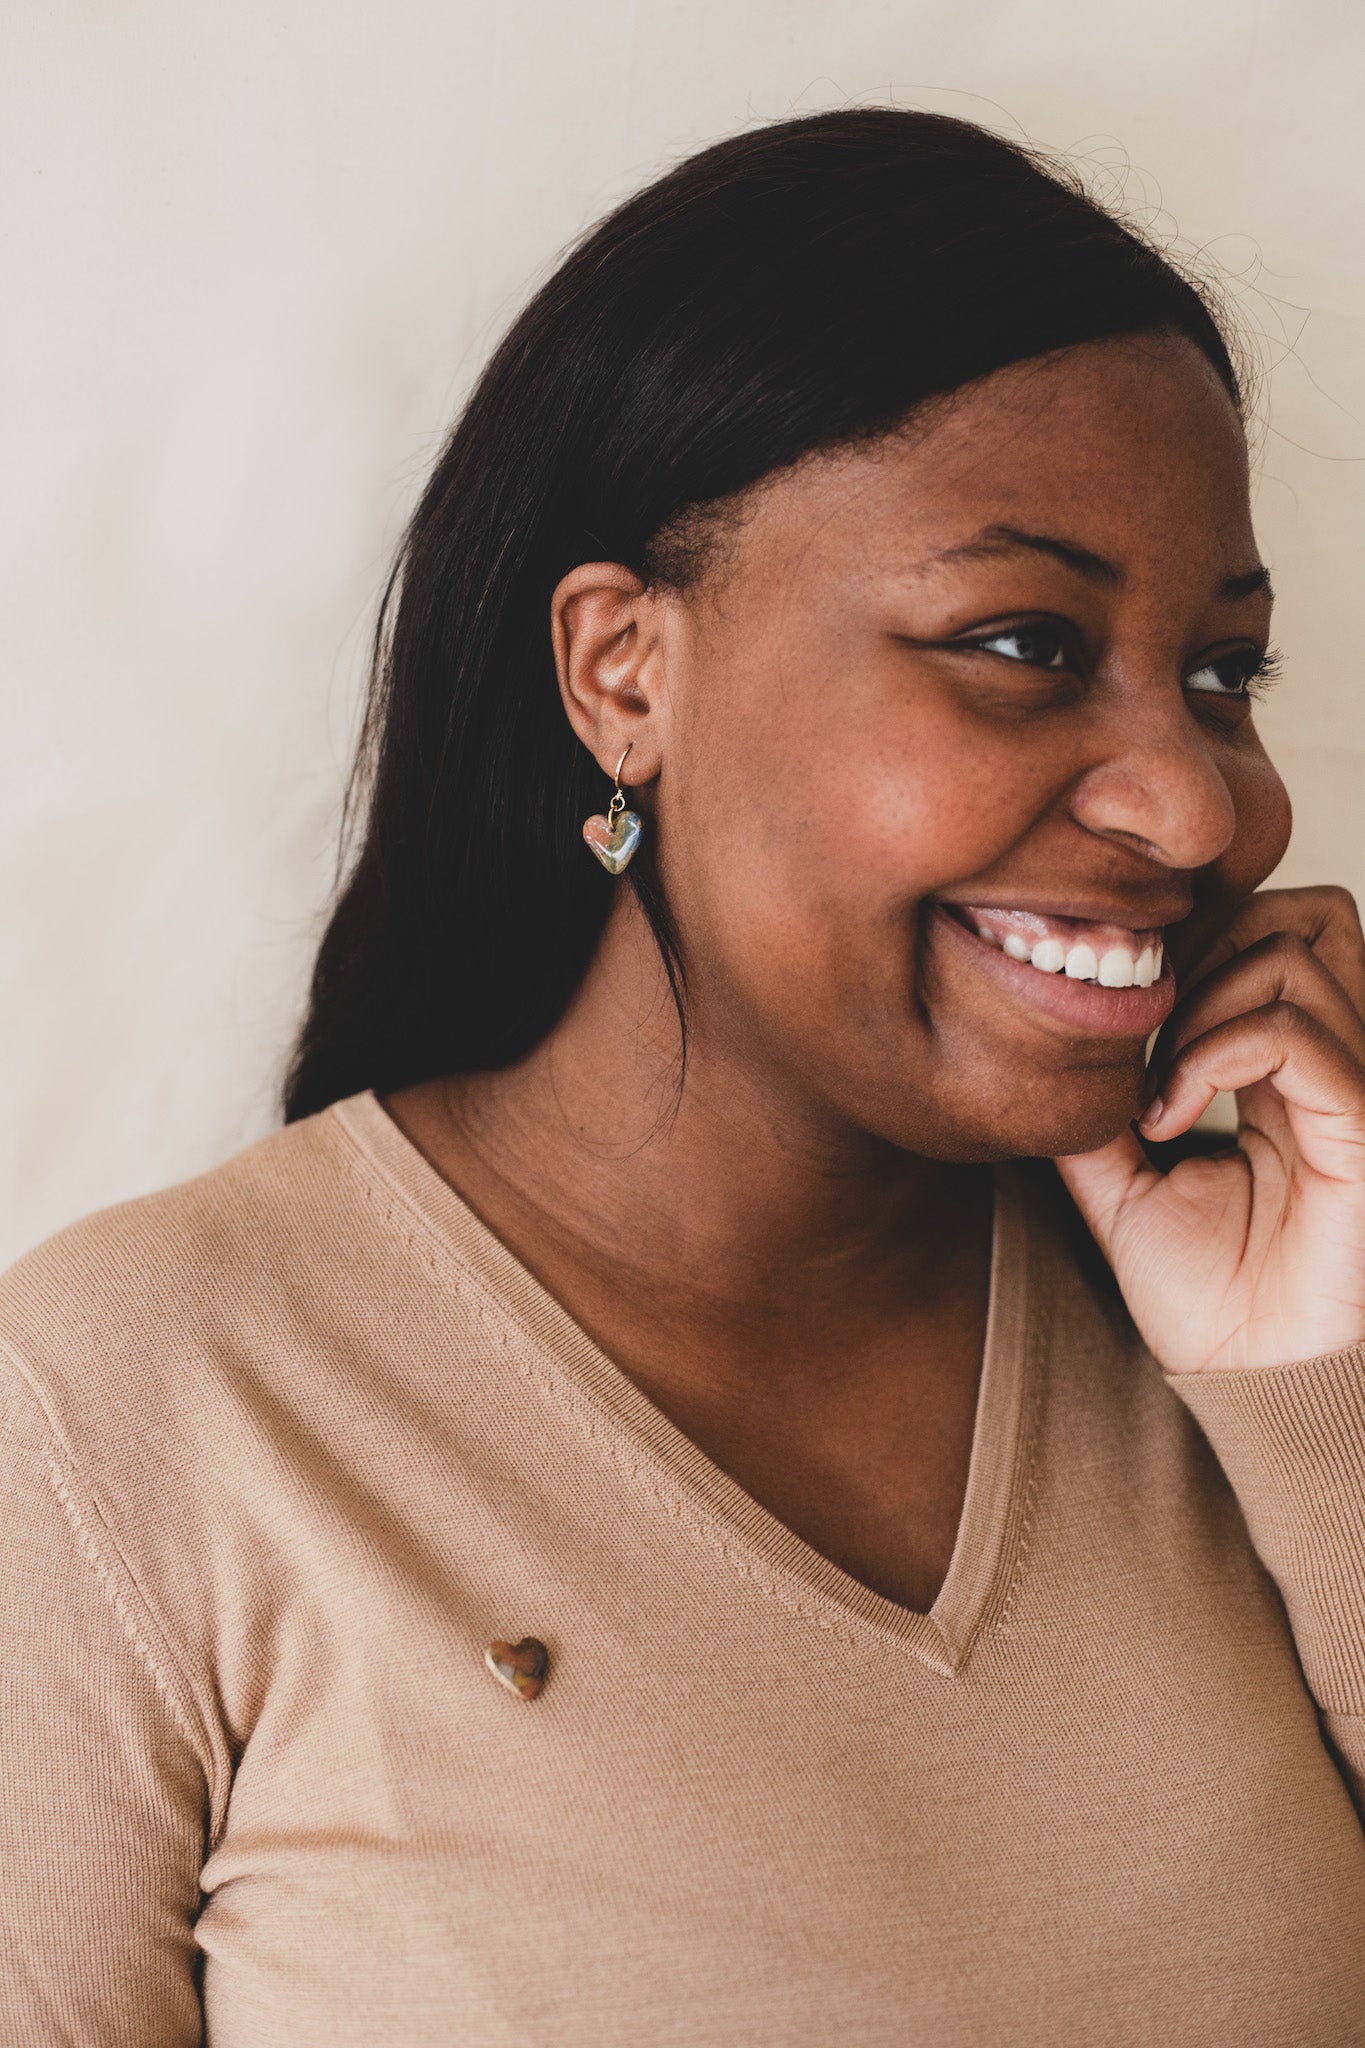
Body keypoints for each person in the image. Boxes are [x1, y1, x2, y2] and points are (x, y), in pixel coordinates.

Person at [3, 107, 1364, 2048]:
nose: (1193, 802)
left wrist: (1317, 1385)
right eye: (1022, 642)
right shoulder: (118, 1416)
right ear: (621, 671)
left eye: (1220, 675)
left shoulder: (1250, 1348)